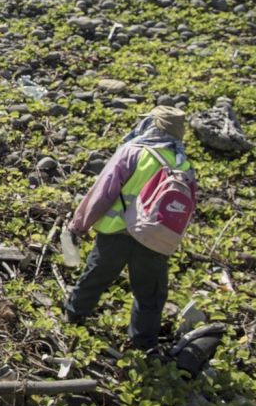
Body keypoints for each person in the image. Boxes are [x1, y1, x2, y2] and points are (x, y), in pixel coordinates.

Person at [65, 106, 196, 354]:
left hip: (116, 233)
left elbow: (103, 193)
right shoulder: (182, 163)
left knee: (95, 278)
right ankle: (143, 345)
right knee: (150, 295)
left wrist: (79, 224)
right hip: (153, 239)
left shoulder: (133, 152)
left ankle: (73, 318)